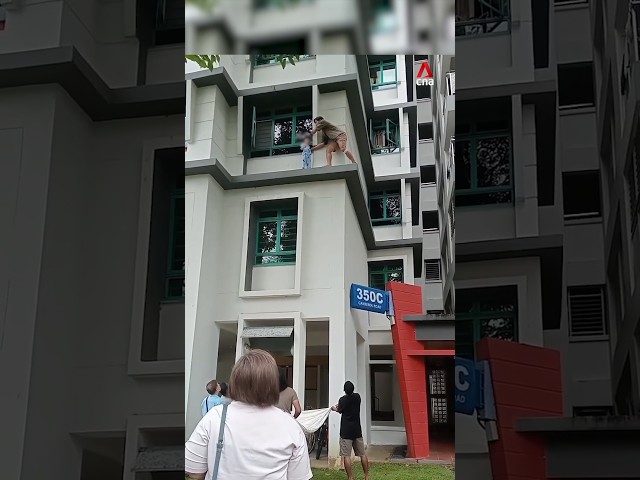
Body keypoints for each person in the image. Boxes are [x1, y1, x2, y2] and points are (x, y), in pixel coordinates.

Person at [185, 349, 312, 480]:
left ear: (235, 381)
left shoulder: (214, 417)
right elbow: (300, 477)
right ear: (273, 383)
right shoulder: (291, 426)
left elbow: (194, 470)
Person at [331, 381, 370, 480]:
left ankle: (350, 477)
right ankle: (367, 476)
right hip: (357, 431)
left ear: (344, 390)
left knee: (346, 456)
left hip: (346, 432)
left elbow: (339, 409)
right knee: (363, 454)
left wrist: (334, 408)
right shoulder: (357, 397)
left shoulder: (342, 400)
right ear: (353, 389)